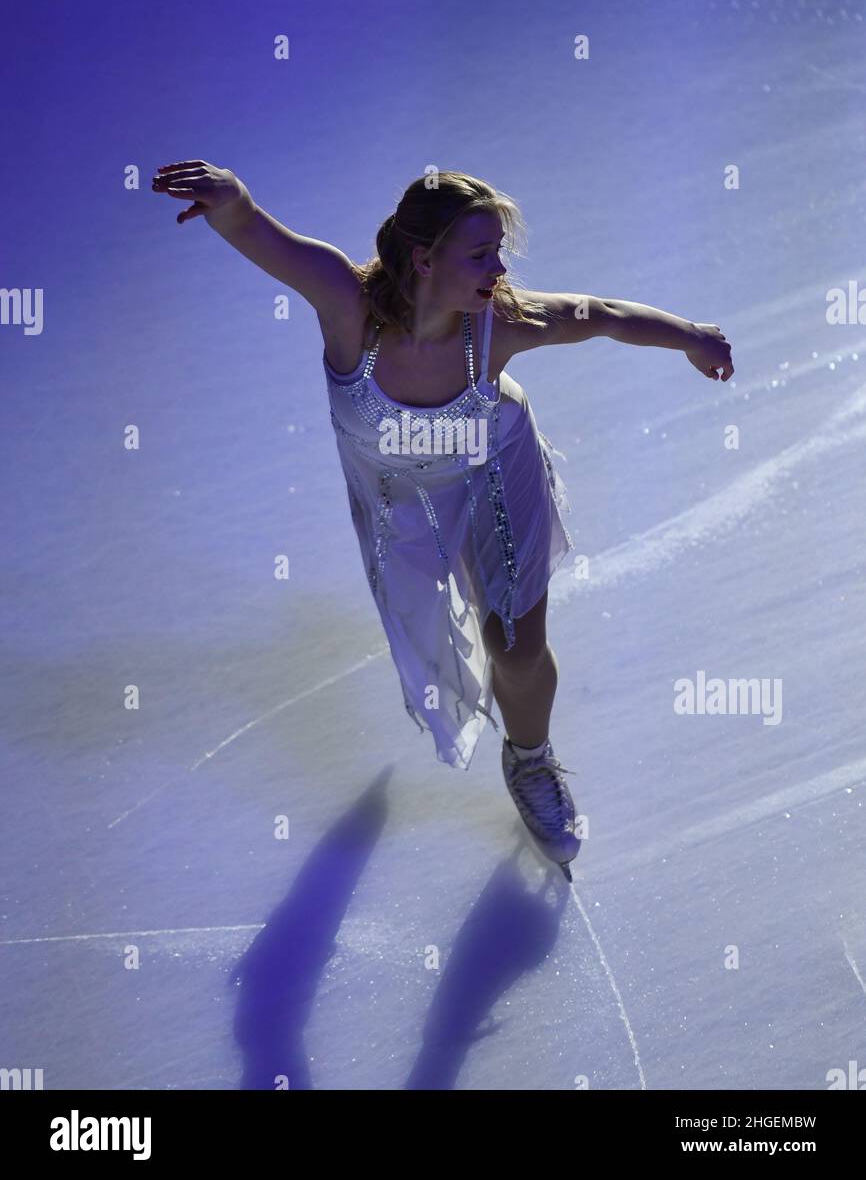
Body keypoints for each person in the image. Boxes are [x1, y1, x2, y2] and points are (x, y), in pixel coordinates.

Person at [152, 161, 734, 876]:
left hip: (494, 467)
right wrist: (233, 202)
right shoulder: (347, 306)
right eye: (480, 253)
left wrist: (692, 338)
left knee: (516, 647)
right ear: (424, 258)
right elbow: (261, 234)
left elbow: (600, 314)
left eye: (499, 251)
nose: (499, 268)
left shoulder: (501, 325)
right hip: (399, 499)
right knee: (433, 640)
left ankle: (530, 759)